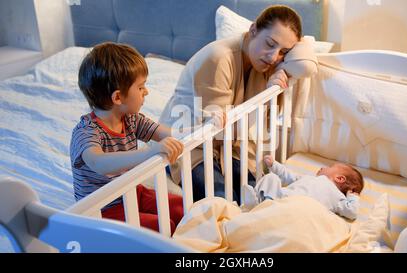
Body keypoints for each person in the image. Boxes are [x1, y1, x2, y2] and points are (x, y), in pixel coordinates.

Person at [159, 5, 318, 204]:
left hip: (228, 146)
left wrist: (285, 66)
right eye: (270, 44)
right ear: (253, 30)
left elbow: (307, 60)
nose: (274, 57)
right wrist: (269, 90)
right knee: (225, 203)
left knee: (259, 199)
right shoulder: (218, 58)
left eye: (284, 52)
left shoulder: (268, 62)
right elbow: (217, 132)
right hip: (191, 143)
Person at [70, 42, 185, 234]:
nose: (146, 92)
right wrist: (149, 152)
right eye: (141, 87)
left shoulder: (131, 119)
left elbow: (170, 132)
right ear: (118, 98)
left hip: (131, 191)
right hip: (102, 208)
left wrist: (206, 126)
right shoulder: (86, 131)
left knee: (180, 207)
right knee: (162, 225)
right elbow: (99, 163)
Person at [242, 155, 364, 220]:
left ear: (340, 178)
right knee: (271, 178)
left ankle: (260, 205)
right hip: (281, 198)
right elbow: (289, 176)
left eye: (329, 167)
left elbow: (352, 212)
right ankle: (259, 203)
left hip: (300, 208)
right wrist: (274, 165)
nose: (322, 167)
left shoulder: (337, 197)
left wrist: (352, 197)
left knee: (272, 180)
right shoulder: (309, 178)